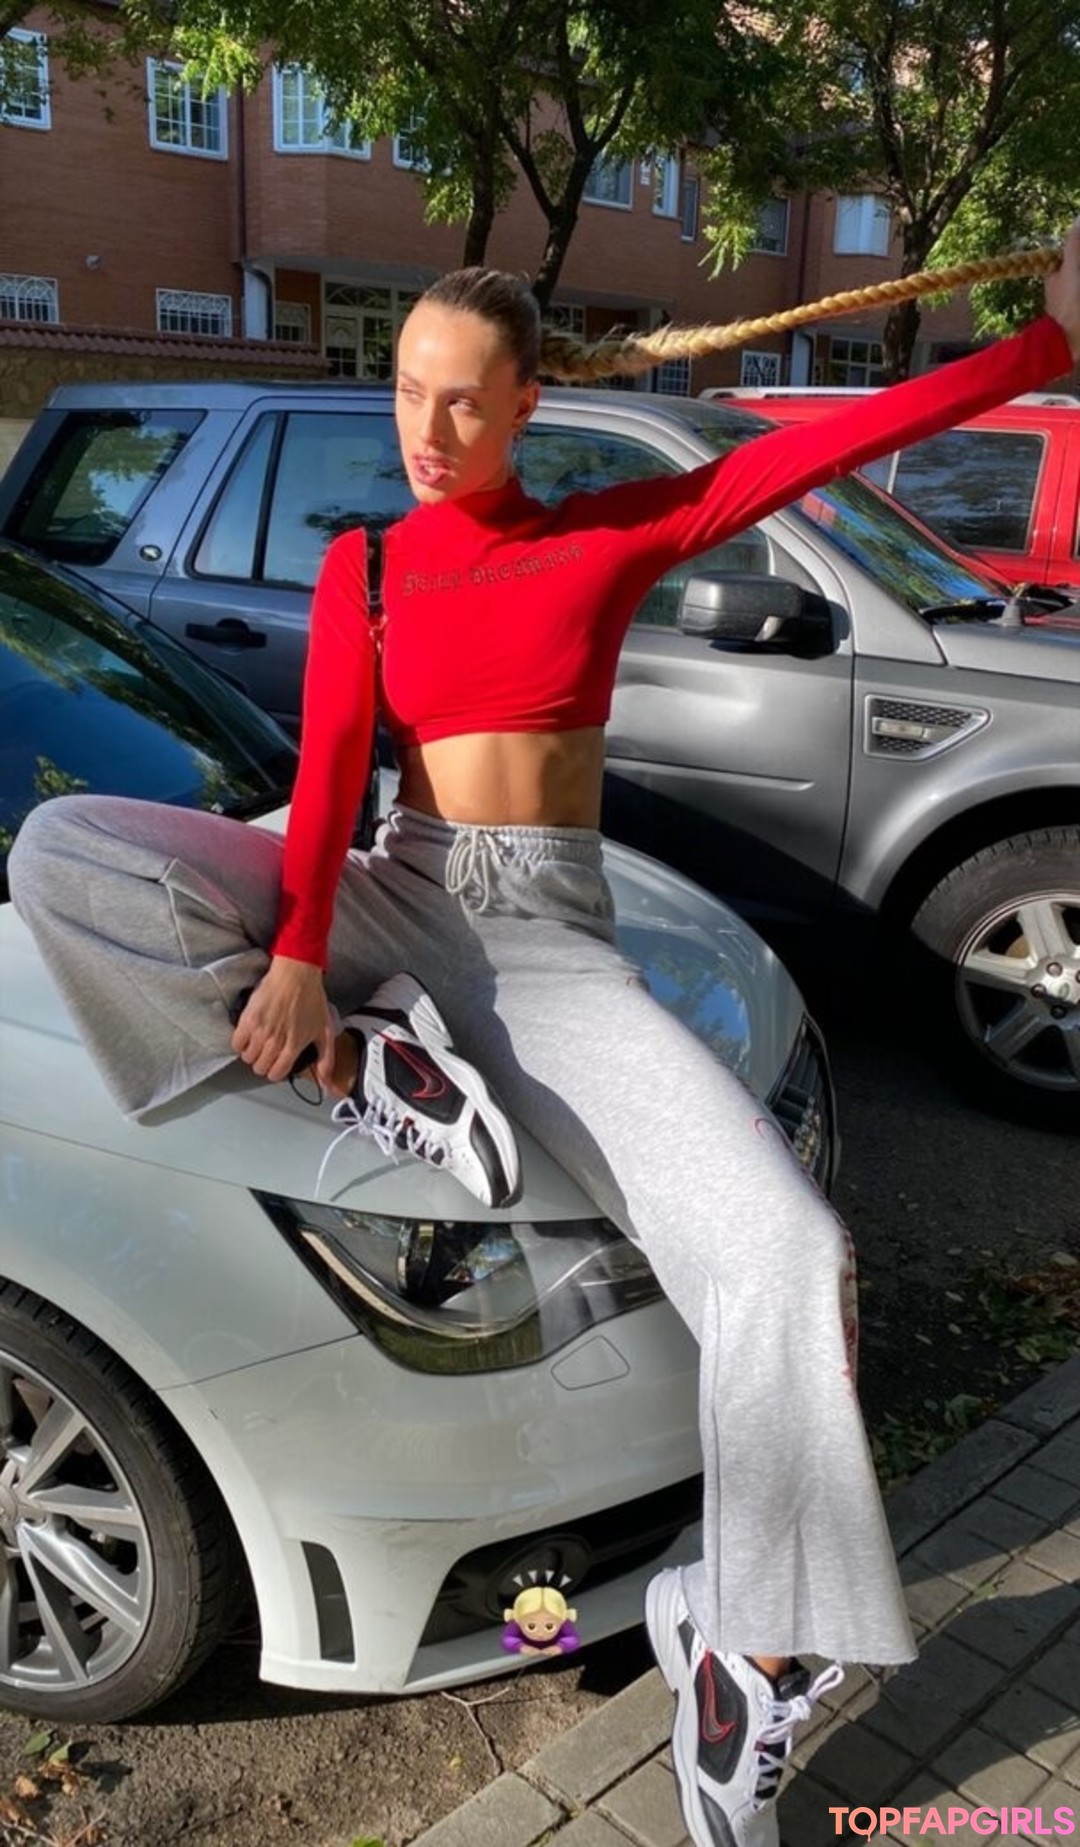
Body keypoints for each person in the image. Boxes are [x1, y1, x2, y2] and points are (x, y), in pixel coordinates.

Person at [11, 221, 1080, 1847]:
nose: (427, 431)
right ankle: (362, 1055)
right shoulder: (369, 567)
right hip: (393, 887)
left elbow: (828, 446)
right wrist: (296, 957)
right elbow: (327, 778)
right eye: (405, 391)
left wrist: (1046, 346)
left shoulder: (607, 534)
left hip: (543, 943)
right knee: (67, 847)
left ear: (527, 404)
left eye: (463, 400)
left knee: (785, 1252)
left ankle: (747, 1646)